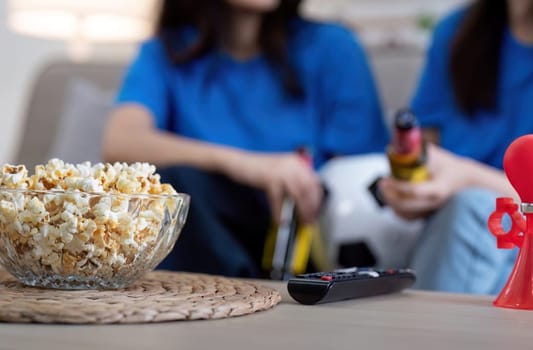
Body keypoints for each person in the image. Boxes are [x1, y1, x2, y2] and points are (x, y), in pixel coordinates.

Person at [103, 0, 388, 277]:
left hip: (300, 242)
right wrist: (244, 165)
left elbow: (360, 181)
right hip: (202, 239)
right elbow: (121, 142)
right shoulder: (166, 52)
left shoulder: (333, 48)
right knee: (173, 188)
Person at [379, 0, 533, 300]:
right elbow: (429, 155)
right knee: (481, 266)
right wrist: (414, 191)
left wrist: (465, 177)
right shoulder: (456, 34)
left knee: (478, 215)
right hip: (467, 246)